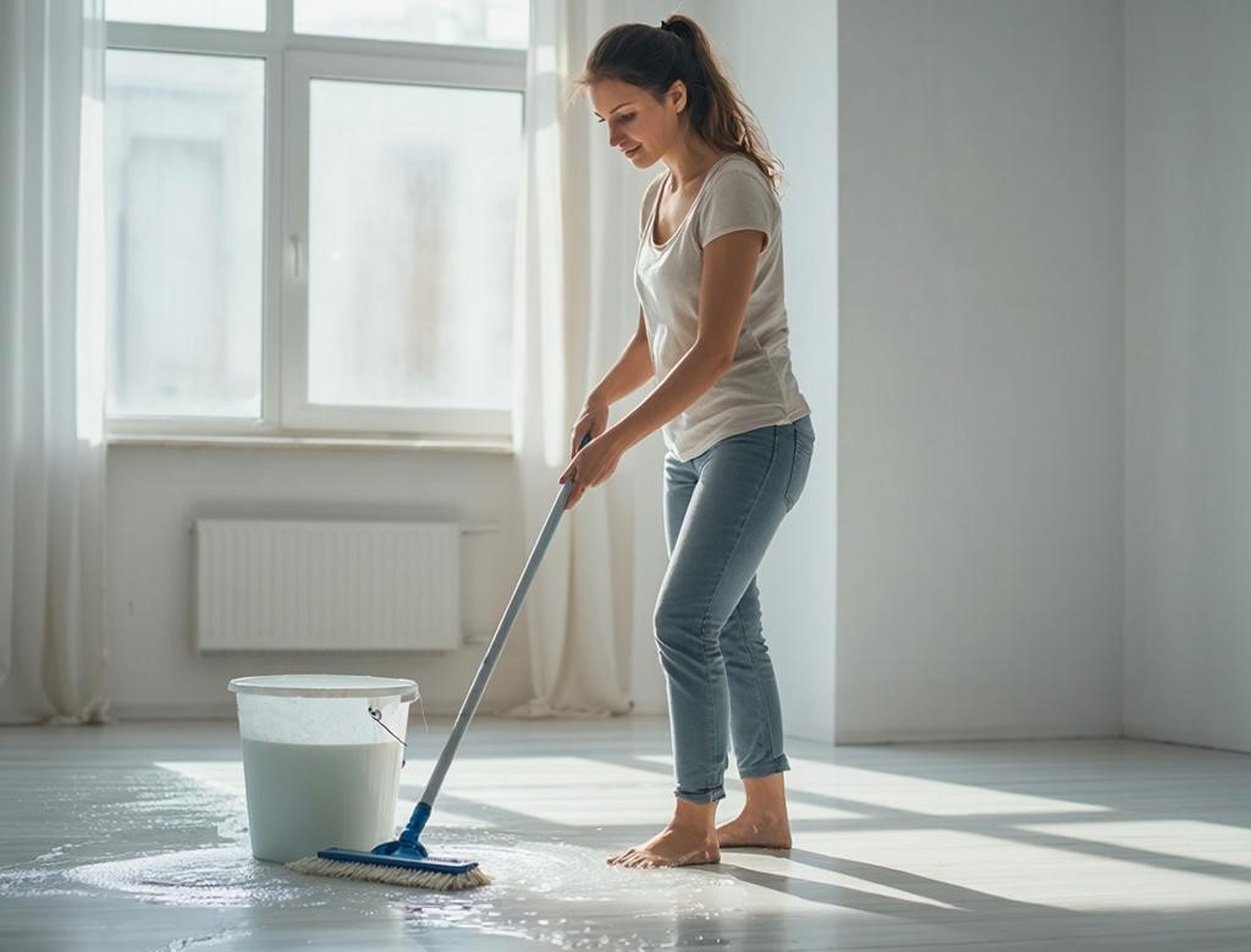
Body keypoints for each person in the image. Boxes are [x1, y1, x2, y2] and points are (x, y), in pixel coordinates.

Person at [559, 14, 814, 869]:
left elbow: (711, 349)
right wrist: (601, 398)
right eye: (602, 121)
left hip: (757, 434)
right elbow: (655, 338)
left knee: (681, 623)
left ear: (676, 96)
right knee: (730, 629)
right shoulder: (657, 195)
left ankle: (693, 822)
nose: (612, 136)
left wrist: (615, 447)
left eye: (625, 115)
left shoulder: (734, 187)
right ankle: (765, 813)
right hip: (692, 445)